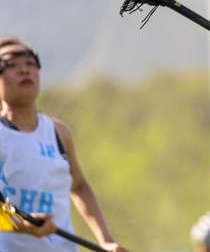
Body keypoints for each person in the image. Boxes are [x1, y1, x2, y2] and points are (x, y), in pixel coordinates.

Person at [0, 35, 129, 252]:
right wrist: (22, 226)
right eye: (11, 65)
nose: (24, 70)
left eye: (30, 63)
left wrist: (105, 241)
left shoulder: (59, 132)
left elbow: (78, 186)